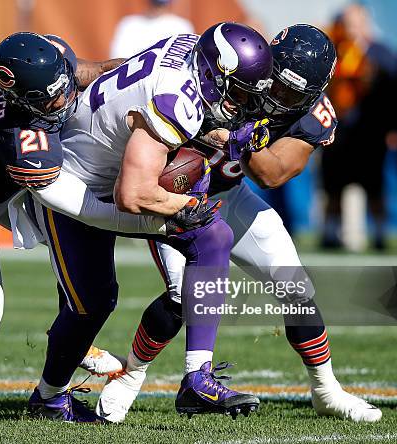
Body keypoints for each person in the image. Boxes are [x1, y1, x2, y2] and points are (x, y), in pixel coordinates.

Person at [0, 32, 214, 425]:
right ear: (21, 101)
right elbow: (90, 211)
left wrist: (140, 76)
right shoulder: (20, 136)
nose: (63, 102)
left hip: (17, 188)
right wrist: (157, 219)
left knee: (81, 281)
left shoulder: (46, 65)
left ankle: (73, 345)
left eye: (61, 89)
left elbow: (85, 71)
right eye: (50, 100)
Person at [96, 24, 382, 423]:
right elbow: (147, 71)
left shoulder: (314, 112)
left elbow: (275, 172)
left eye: (289, 95)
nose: (276, 99)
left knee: (295, 286)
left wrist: (243, 140)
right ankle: (131, 376)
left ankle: (326, 389)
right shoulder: (240, 64)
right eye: (275, 86)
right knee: (183, 295)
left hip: (228, 194)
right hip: (178, 196)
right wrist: (90, 74)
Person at [25, 23, 273, 421]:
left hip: (110, 169)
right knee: (91, 303)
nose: (242, 104)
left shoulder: (189, 51)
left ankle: (198, 378)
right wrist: (184, 203)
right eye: (239, 92)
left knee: (213, 238)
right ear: (215, 74)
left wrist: (223, 139)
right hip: (77, 184)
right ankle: (49, 398)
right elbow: (133, 194)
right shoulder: (178, 99)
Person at [321, 4, 397, 250]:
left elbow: (393, 94)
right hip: (338, 131)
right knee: (333, 183)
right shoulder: (335, 52)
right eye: (348, 22)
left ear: (366, 23)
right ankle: (330, 233)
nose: (352, 27)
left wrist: (392, 127)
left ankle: (379, 233)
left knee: (374, 184)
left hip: (369, 132)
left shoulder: (380, 53)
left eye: (357, 22)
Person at [110, 0, 193, 58]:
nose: (158, 8)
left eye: (160, 4)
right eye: (156, 4)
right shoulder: (129, 24)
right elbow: (117, 57)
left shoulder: (181, 26)